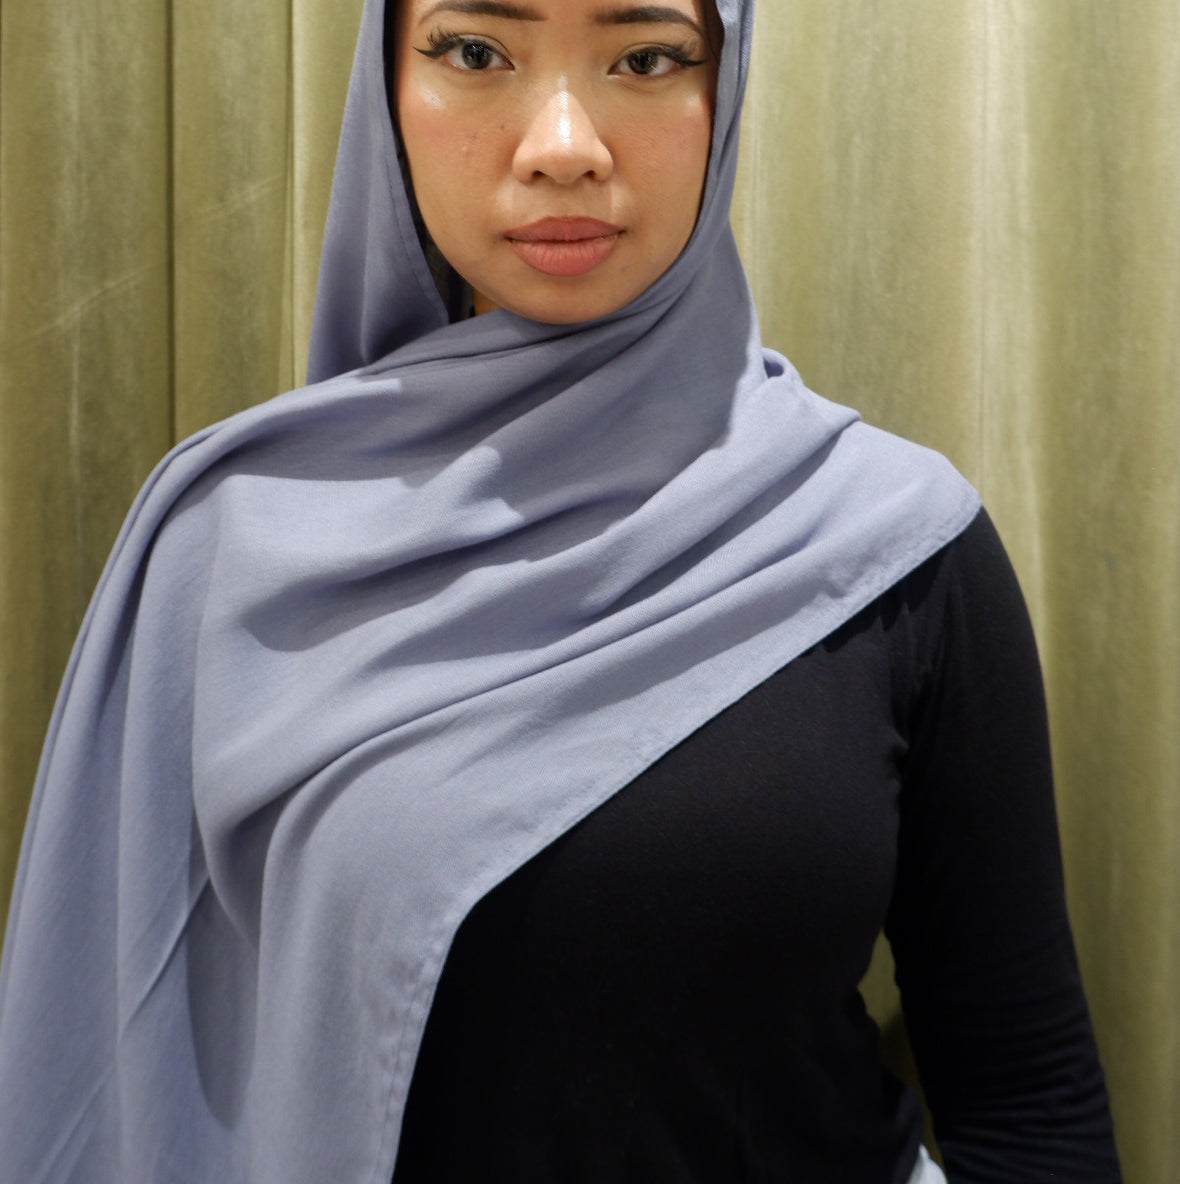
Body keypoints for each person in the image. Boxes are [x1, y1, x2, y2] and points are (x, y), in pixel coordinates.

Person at [0, 0, 1121, 1181]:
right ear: (385, 92)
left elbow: (1026, 1091)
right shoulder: (225, 543)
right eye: (475, 52)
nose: (563, 145)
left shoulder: (895, 545)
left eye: (646, 57)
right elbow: (113, 1070)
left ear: (723, 90)